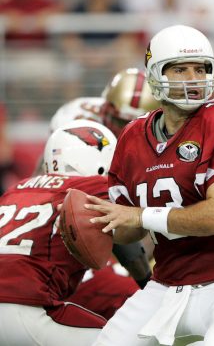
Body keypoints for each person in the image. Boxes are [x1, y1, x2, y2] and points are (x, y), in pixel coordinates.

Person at [85, 24, 214, 346]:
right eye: (181, 69)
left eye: (200, 69)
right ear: (156, 75)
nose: (194, 78)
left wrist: (141, 216)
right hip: (166, 283)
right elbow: (126, 228)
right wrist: (94, 222)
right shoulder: (132, 135)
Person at [48, 67, 159, 319]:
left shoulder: (159, 139)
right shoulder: (77, 122)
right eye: (120, 121)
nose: (124, 130)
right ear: (106, 109)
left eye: (133, 123)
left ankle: (138, 281)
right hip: (70, 204)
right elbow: (45, 183)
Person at [0, 119, 117, 346]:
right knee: (123, 335)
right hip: (27, 309)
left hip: (20, 307)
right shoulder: (91, 186)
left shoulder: (15, 189)